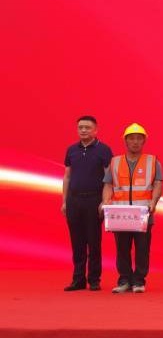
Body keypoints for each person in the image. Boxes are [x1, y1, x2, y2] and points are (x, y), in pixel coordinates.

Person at [102, 124, 163, 294]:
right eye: (131, 138)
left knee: (142, 249)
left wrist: (153, 202)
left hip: (143, 214)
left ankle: (138, 281)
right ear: (125, 141)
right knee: (122, 249)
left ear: (144, 141)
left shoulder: (153, 162)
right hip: (120, 214)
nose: (135, 142)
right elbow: (108, 184)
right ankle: (124, 280)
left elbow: (158, 184)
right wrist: (105, 201)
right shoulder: (115, 162)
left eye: (139, 138)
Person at [61, 115, 113, 291]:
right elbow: (67, 177)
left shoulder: (104, 150)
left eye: (87, 127)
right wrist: (64, 201)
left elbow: (108, 179)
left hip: (94, 200)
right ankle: (78, 279)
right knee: (77, 242)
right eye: (80, 127)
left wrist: (105, 201)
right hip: (74, 200)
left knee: (94, 241)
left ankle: (94, 279)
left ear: (95, 130)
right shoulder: (71, 150)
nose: (83, 130)